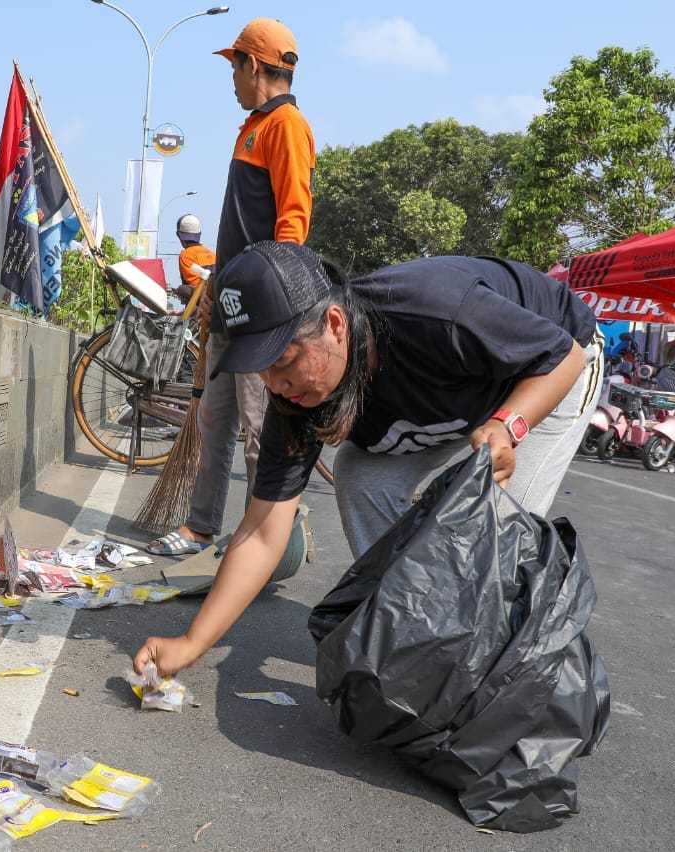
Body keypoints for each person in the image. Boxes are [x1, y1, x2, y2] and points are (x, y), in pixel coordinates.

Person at [134, 242, 603, 676]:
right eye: (260, 368)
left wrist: (509, 425)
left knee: (494, 538)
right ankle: (419, 628)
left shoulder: (436, 314)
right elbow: (261, 532)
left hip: (547, 372)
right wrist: (192, 642)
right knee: (361, 477)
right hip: (457, 397)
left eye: (283, 362)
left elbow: (562, 358)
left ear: (335, 325)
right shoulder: (292, 400)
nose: (274, 384)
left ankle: (485, 666)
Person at [148, 17, 316, 556]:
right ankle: (201, 526)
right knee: (214, 418)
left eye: (234, 66)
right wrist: (217, 289)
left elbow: (293, 220)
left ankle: (265, 540)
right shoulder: (252, 127)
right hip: (230, 301)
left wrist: (281, 305)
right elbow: (240, 227)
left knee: (257, 427)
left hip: (262, 314)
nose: (232, 79)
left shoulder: (286, 127)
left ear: (254, 65)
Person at [174, 214, 215, 306]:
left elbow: (196, 289)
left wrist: (180, 290)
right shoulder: (212, 254)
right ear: (199, 234)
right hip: (215, 299)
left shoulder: (185, 255)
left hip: (201, 305)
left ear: (179, 236)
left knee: (182, 289)